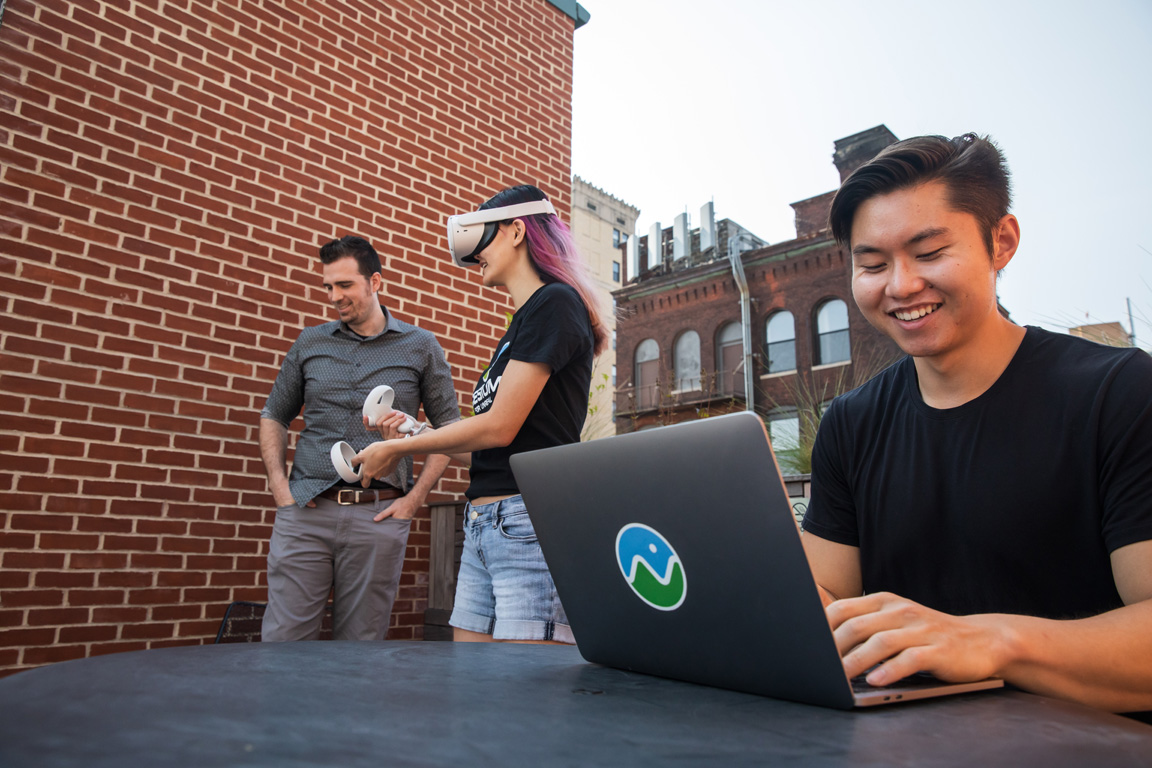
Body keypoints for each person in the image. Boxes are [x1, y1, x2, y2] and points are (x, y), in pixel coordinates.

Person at [799, 133, 1152, 715]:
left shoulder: (1118, 392)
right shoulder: (851, 423)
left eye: (930, 252)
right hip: (903, 743)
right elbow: (825, 595)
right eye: (872, 264)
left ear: (1002, 242)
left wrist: (994, 642)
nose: (901, 285)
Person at [356, 185, 606, 644]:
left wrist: (400, 447)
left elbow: (498, 426)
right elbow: (498, 449)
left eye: (482, 241)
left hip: (526, 524)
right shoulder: (521, 324)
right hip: (484, 525)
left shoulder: (555, 303)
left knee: (523, 701)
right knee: (476, 693)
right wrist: (416, 430)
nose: (475, 260)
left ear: (516, 232)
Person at [258, 235, 460, 641]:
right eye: (328, 287)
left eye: (345, 285)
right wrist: (281, 490)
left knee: (361, 649)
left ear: (375, 282)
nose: (335, 296)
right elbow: (274, 416)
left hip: (379, 514)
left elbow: (449, 433)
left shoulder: (421, 347)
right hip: (306, 510)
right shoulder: (309, 343)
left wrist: (412, 501)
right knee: (283, 642)